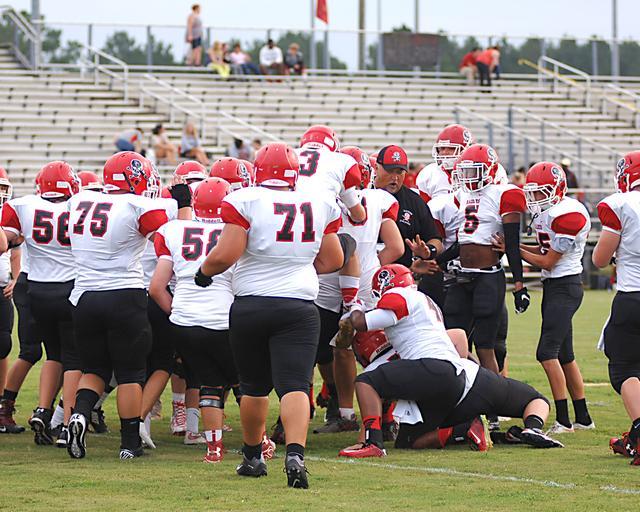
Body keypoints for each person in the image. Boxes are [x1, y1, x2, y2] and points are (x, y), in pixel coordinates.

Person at [196, 142, 345, 488]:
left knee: (253, 386)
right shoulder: (319, 202)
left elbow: (227, 253)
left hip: (252, 305)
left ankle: (252, 456)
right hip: (298, 306)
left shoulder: (244, 199)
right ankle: (295, 455)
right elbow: (333, 258)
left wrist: (203, 273)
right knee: (295, 384)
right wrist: (297, 266)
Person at [336, 264, 563, 457]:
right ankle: (469, 430)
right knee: (408, 442)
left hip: (436, 371)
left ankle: (372, 443)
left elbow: (361, 323)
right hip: (462, 374)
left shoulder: (401, 296)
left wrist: (355, 307)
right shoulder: (426, 304)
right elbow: (459, 338)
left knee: (365, 381)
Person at [64, 152, 189, 460]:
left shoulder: (79, 201)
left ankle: (79, 415)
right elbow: (179, 238)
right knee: (130, 373)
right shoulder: (136, 205)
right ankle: (129, 442)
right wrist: (183, 203)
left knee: (94, 369)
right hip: (124, 296)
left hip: (84, 296)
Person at [312, 146, 404, 435]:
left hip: (325, 286)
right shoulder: (379, 200)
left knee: (335, 350)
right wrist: (371, 267)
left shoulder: (321, 198)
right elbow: (396, 247)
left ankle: (345, 413)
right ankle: (385, 417)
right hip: (364, 288)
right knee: (376, 352)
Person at [151, 177, 243, 463]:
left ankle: (214, 448)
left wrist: (178, 313)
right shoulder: (237, 232)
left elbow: (156, 288)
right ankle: (261, 442)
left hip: (184, 323)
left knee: (209, 383)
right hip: (223, 320)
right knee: (244, 384)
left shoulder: (173, 230)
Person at [443, 144, 529, 427]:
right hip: (461, 276)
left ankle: (494, 409)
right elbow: (462, 242)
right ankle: (461, 402)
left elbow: (512, 244)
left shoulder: (504, 194)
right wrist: (434, 258)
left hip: (488, 277)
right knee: (453, 342)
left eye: (474, 171)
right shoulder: (463, 195)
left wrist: (519, 285)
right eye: (465, 171)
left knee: (485, 346)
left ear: (490, 170)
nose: (468, 177)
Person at [507, 162, 593, 434]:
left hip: (565, 286)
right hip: (556, 287)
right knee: (565, 355)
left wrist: (514, 250)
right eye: (532, 192)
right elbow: (543, 249)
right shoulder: (550, 212)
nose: (534, 198)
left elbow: (547, 261)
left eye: (540, 192)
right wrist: (514, 246)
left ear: (557, 189)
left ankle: (564, 420)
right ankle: (583, 418)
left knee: (546, 353)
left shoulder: (569, 214)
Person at [0, 162, 82, 447]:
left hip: (37, 289)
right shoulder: (82, 205)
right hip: (70, 288)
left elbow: (7, 242)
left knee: (52, 355)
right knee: (74, 360)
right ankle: (67, 423)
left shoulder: (23, 206)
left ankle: (43, 410)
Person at [593, 151, 640, 466]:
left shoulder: (622, 204)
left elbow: (599, 259)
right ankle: (634, 437)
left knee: (624, 369)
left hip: (633, 295)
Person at [374, 145, 442, 270]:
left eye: (399, 172)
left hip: (400, 273)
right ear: (376, 168)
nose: (395, 177)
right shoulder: (363, 195)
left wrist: (428, 251)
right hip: (363, 272)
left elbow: (435, 239)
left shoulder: (414, 201)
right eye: (390, 170)